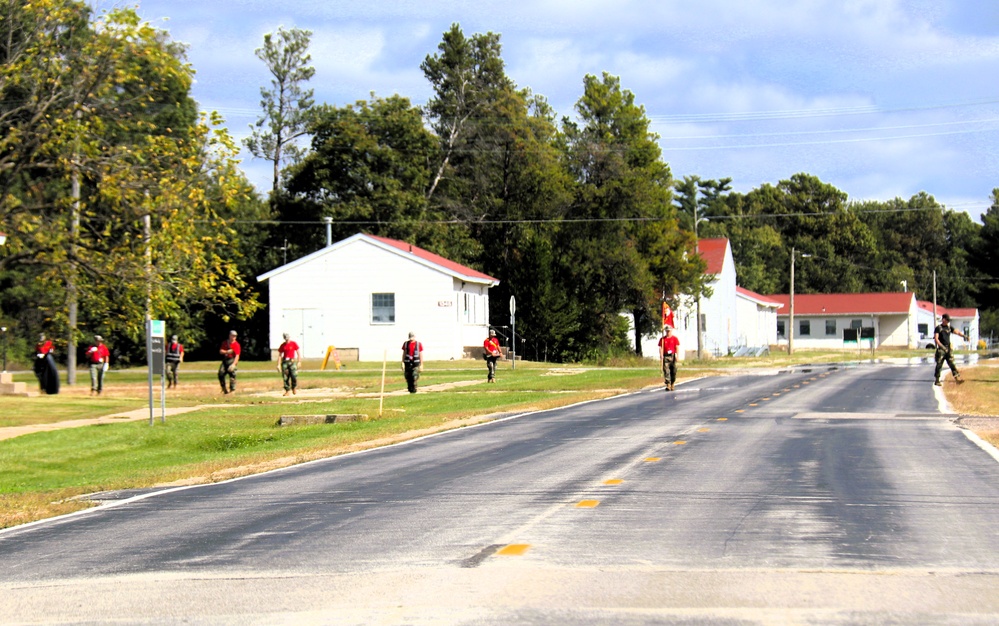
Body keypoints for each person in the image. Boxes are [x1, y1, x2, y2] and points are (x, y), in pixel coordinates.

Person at [934, 313, 966, 386]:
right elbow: (936, 339)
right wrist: (942, 347)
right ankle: (937, 380)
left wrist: (964, 336)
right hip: (941, 349)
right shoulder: (938, 328)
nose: (948, 321)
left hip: (948, 348)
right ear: (943, 319)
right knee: (939, 364)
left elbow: (957, 332)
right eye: (947, 320)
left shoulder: (949, 328)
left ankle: (957, 378)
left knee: (952, 364)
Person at [218, 330, 241, 394]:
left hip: (232, 360)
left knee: (232, 374)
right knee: (221, 373)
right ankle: (224, 389)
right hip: (225, 360)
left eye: (235, 336)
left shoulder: (236, 345)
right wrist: (226, 352)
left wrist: (234, 364)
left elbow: (237, 356)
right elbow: (220, 351)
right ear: (229, 335)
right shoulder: (225, 343)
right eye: (233, 336)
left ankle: (232, 390)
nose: (234, 337)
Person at [658, 326, 680, 391]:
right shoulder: (662, 339)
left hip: (672, 356)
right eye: (667, 331)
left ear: (671, 331)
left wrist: (677, 356)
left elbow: (677, 347)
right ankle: (668, 384)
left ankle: (672, 383)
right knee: (666, 370)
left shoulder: (674, 338)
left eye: (669, 331)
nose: (668, 332)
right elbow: (660, 347)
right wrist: (661, 355)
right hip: (666, 356)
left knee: (673, 371)